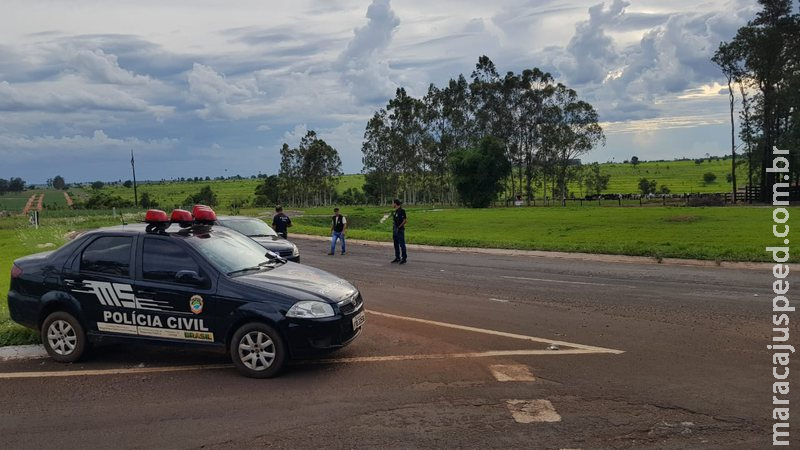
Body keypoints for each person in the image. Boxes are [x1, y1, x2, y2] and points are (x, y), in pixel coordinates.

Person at [391, 199, 407, 264]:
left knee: (402, 244)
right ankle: (397, 257)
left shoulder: (402, 211)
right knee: (396, 244)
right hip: (395, 230)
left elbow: (405, 220)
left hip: (400, 230)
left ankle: (404, 258)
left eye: (393, 203)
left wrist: (399, 227)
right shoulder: (396, 211)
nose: (392, 205)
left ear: (395, 204)